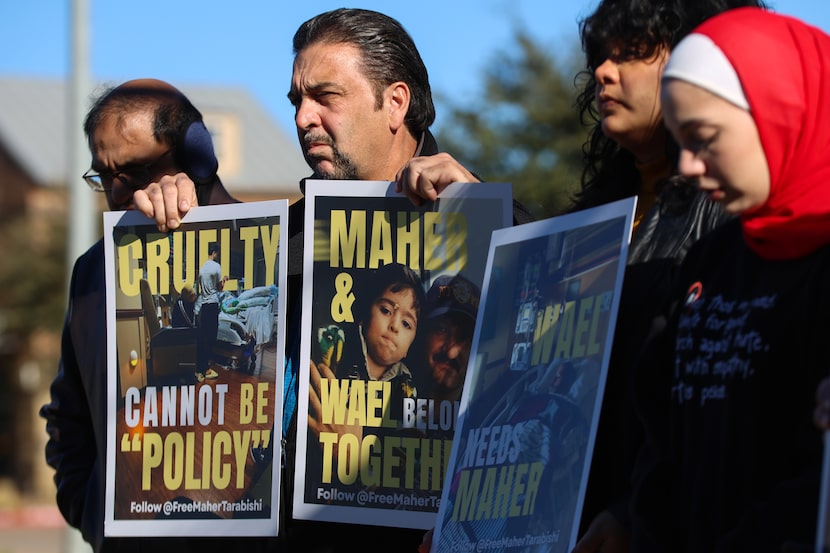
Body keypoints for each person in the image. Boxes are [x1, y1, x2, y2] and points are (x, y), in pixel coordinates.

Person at [36, 79, 276, 553]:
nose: (118, 192)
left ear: (196, 157)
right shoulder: (93, 271)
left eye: (134, 170)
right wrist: (96, 516)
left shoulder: (272, 250)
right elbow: (68, 419)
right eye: (104, 176)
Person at [567, 1, 767, 550]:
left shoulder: (736, 216)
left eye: (632, 53)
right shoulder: (597, 214)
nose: (605, 72)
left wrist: (637, 510)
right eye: (601, 57)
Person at [628, 7, 830, 550]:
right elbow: (662, 435)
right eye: (678, 141)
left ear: (782, 111)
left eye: (703, 136)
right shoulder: (711, 261)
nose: (688, 166)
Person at [417, 273, 480, 405]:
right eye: (442, 330)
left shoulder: (481, 419)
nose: (452, 353)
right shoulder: (390, 402)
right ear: (422, 332)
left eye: (466, 338)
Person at [195, 243, 227, 377]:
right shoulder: (216, 267)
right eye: (217, 254)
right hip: (213, 304)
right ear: (214, 253)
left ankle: (200, 368)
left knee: (203, 337)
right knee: (211, 338)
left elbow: (199, 289)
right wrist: (224, 280)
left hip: (204, 306)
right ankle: (206, 369)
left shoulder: (202, 269)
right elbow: (219, 288)